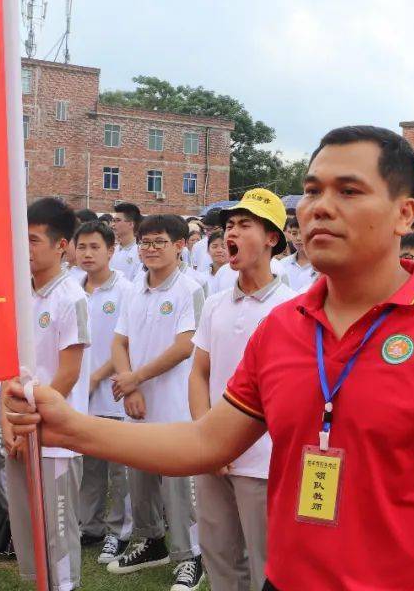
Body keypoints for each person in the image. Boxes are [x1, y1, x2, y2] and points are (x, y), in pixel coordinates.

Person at [5, 126, 414, 590]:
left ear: (405, 213)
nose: (320, 206)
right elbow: (205, 441)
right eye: (313, 191)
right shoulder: (282, 328)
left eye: (349, 191)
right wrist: (67, 426)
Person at [189, 189, 295, 591]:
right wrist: (207, 437)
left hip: (265, 462)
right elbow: (199, 373)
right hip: (215, 456)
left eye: (244, 224)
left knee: (267, 565)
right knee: (218, 555)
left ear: (272, 238)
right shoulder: (215, 304)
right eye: (229, 225)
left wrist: (231, 441)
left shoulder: (290, 308)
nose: (231, 231)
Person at [106, 214, 206, 590]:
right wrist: (130, 388)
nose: (149, 249)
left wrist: (136, 378)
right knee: (140, 475)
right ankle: (150, 541)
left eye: (159, 242)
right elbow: (119, 341)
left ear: (180, 245)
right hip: (138, 402)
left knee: (178, 483)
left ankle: (190, 554)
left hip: (175, 403)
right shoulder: (135, 287)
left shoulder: (190, 288)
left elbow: (185, 346)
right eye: (145, 242)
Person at [1, 197, 90, 591]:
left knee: (57, 527)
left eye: (34, 240)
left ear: (60, 246)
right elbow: (11, 367)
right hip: (21, 429)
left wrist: (29, 425)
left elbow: (68, 373)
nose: (26, 248)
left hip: (55, 437)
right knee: (25, 523)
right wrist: (10, 422)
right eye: (23, 239)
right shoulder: (21, 296)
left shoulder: (71, 297)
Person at [73, 220, 135, 564]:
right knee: (88, 464)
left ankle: (117, 531)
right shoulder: (71, 287)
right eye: (81, 247)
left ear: (111, 251)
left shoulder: (125, 290)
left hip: (110, 389)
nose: (87, 254)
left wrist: (97, 376)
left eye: (95, 247)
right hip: (79, 392)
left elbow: (125, 343)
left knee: (118, 467)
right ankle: (91, 525)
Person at [279, 216, 319, 293]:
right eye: (294, 233)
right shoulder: (282, 264)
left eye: (303, 233)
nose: (298, 238)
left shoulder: (322, 267)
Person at [109, 203, 143, 281]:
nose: (113, 225)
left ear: (131, 224)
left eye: (117, 220)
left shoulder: (141, 252)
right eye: (113, 221)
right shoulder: (112, 250)